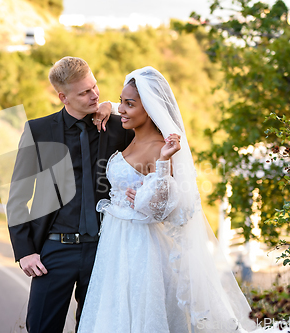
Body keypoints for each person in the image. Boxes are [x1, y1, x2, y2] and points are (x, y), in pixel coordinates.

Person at [77, 66, 257, 333]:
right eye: (121, 102)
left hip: (140, 247)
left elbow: (161, 209)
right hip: (114, 244)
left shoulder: (160, 148)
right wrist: (107, 106)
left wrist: (162, 163)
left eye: (129, 104)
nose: (122, 109)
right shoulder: (132, 138)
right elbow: (119, 109)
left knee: (138, 315)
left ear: (149, 108)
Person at [6, 56, 134, 333]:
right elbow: (18, 195)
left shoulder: (116, 127)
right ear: (63, 97)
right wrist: (25, 251)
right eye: (84, 92)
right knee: (40, 327)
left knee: (95, 328)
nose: (94, 95)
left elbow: (151, 121)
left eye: (95, 87)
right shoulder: (38, 131)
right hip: (55, 250)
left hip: (104, 249)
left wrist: (111, 105)